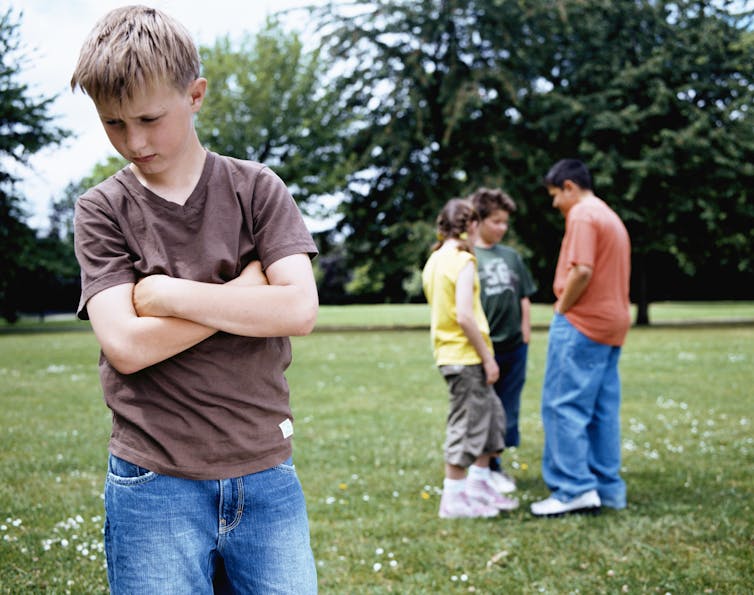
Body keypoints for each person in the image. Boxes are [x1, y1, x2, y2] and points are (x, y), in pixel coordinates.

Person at [70, 6, 319, 592]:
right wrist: (244, 292)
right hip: (152, 482)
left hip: (266, 474)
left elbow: (298, 310)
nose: (133, 141)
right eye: (113, 123)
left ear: (196, 94)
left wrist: (168, 294)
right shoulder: (101, 210)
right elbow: (128, 346)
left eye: (150, 118)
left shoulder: (257, 188)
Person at [531, 159, 631, 517]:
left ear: (569, 186)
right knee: (602, 409)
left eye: (555, 195)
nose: (555, 204)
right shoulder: (608, 214)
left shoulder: (583, 216)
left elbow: (583, 269)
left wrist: (562, 307)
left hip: (583, 322)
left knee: (563, 405)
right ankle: (608, 489)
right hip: (612, 322)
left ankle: (573, 488)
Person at [422, 198, 520, 519]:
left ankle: (478, 486)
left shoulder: (435, 259)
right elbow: (464, 315)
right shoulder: (462, 260)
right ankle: (453, 500)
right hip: (463, 356)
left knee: (490, 416)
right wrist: (487, 357)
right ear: (472, 225)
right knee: (466, 425)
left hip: (454, 354)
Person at [468, 188, 537, 495]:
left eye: (505, 222)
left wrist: (525, 332)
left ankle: (495, 466)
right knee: (484, 410)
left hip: (514, 347)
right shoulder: (468, 256)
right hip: (484, 350)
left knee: (508, 411)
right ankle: (478, 468)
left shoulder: (511, 256)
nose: (502, 228)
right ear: (479, 219)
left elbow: (524, 296)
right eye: (496, 221)